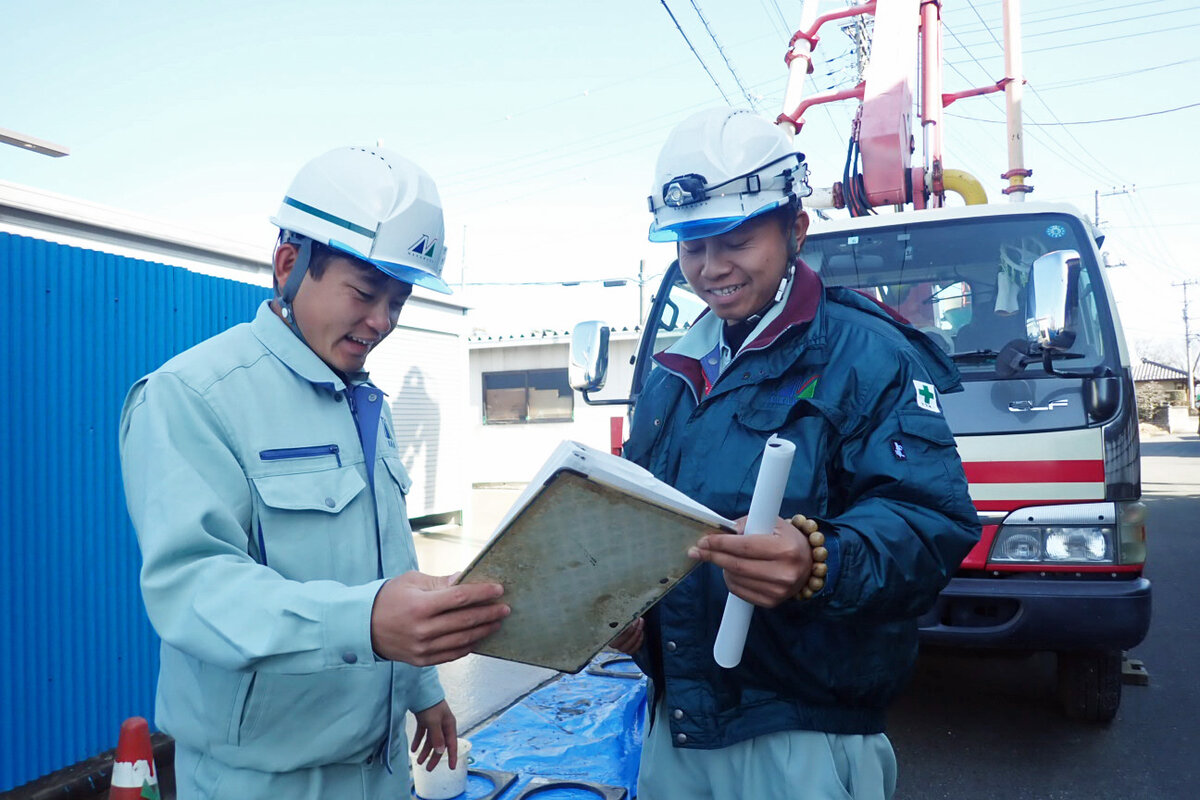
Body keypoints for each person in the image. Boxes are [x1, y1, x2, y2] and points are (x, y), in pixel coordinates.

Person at [610, 108, 981, 799]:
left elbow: (933, 523)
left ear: (795, 229)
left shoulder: (865, 354)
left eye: (737, 240)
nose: (711, 267)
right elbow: (645, 522)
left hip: (804, 739)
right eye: (691, 245)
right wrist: (619, 607)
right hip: (679, 726)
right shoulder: (671, 372)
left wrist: (819, 561)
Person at [119, 146, 510, 799]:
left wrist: (423, 690)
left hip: (381, 769)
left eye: (399, 299)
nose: (382, 321)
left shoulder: (363, 404)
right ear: (288, 264)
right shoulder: (192, 396)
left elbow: (391, 563)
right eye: (364, 292)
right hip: (261, 781)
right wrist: (359, 622)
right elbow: (194, 589)